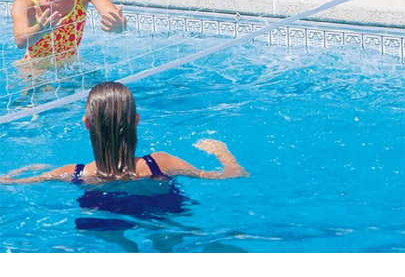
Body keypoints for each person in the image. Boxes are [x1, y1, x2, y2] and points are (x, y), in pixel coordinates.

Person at [0, 82, 248, 184]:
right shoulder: (160, 163)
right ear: (136, 121)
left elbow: (9, 183)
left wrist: (24, 171)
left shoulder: (74, 173)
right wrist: (222, 153)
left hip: (100, 227)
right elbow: (232, 175)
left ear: (86, 124)